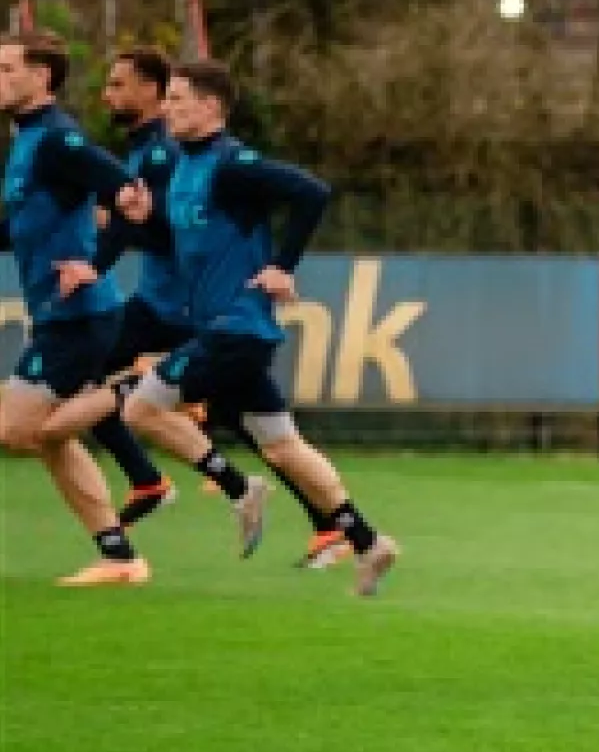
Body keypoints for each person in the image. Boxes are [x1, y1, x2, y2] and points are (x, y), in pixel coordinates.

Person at [105, 59, 402, 596]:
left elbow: (313, 193)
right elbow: (179, 247)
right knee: (284, 446)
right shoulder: (183, 170)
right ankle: (368, 542)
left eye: (177, 99)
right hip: (224, 330)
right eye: (167, 99)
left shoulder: (232, 164)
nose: (167, 109)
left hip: (234, 328)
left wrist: (282, 266)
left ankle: (239, 488)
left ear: (210, 107)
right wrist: (142, 219)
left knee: (140, 407)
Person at [0, 30, 152, 585]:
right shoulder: (26, 142)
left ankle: (135, 386)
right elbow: (21, 228)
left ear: (41, 77)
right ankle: (118, 557)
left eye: (7, 68)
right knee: (42, 436)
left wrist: (94, 261)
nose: (0, 78)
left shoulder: (57, 141)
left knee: (15, 429)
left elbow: (132, 195)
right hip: (62, 316)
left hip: (79, 317)